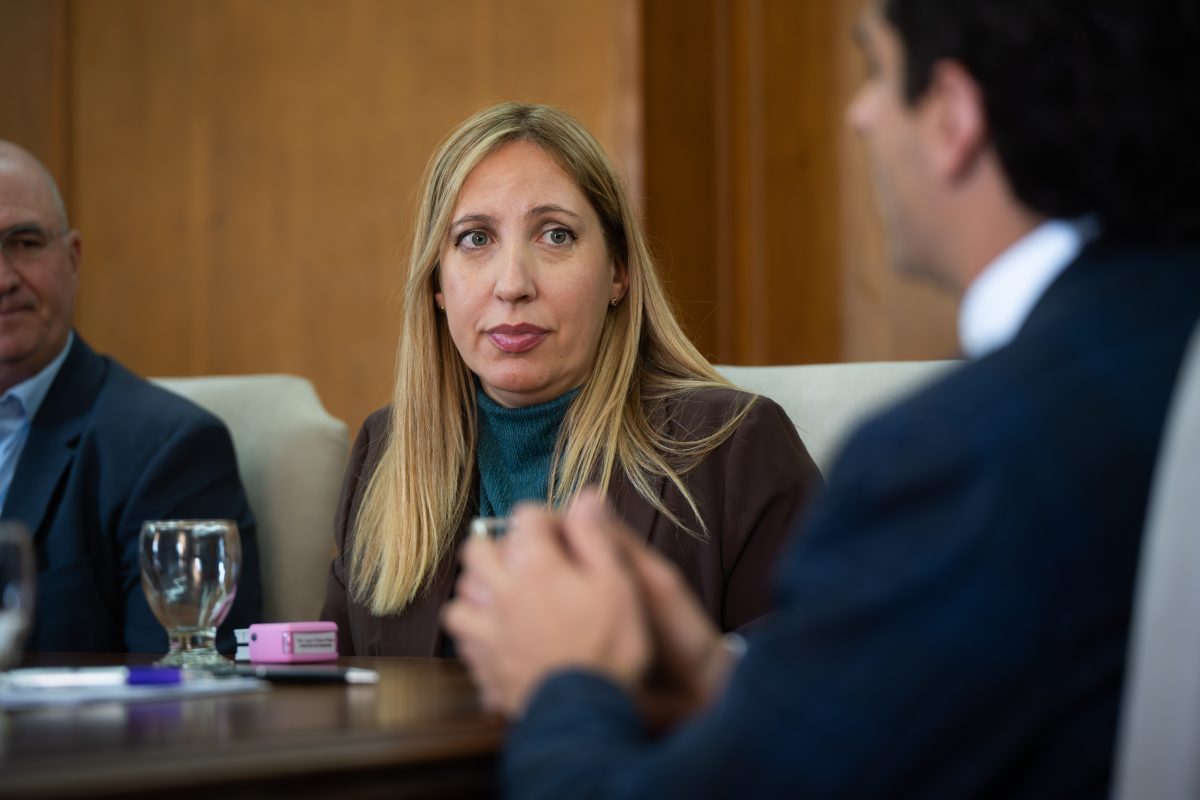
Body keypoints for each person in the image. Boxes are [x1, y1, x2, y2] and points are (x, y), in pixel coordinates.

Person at [443, 1, 1200, 796]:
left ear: (952, 116)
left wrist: (563, 682)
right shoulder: (1154, 357)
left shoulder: (953, 456)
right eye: (474, 240)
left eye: (876, 71)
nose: (858, 114)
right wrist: (726, 684)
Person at [320, 103, 821, 657]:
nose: (513, 284)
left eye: (555, 235)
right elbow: (332, 683)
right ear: (437, 284)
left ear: (618, 271)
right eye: (475, 239)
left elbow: (813, 674)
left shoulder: (733, 444)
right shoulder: (384, 450)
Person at [0, 141, 261, 654]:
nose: (4, 279)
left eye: (25, 242)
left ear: (73, 258)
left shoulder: (169, 449)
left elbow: (180, 683)